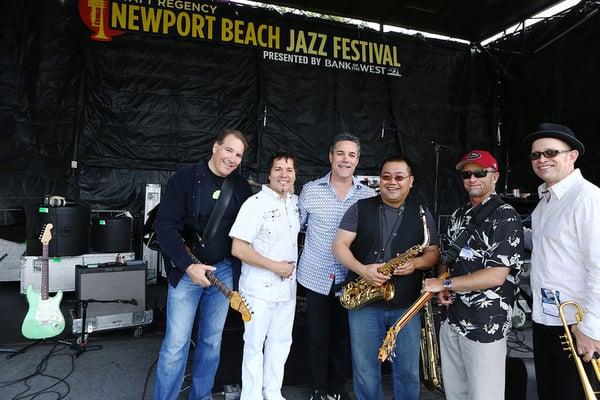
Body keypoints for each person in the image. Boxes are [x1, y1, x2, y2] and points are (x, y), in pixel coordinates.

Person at [154, 129, 253, 400]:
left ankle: (202, 396)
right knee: (176, 344)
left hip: (222, 271)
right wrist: (188, 265)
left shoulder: (242, 187)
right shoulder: (184, 179)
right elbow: (166, 229)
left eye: (238, 155)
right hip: (188, 271)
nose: (232, 159)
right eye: (229, 150)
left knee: (211, 342)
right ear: (215, 147)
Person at [333, 155, 440, 400]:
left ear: (410, 181)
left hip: (407, 303)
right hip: (365, 303)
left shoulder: (423, 213)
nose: (392, 182)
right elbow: (339, 245)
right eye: (386, 176)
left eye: (399, 177)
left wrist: (416, 263)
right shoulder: (360, 208)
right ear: (379, 180)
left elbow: (433, 253)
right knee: (365, 370)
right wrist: (363, 270)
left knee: (407, 371)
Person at [422, 149, 524, 400]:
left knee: (484, 395)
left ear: (495, 176)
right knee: (456, 393)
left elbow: (496, 276)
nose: (472, 179)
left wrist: (443, 283)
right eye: (467, 174)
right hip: (453, 319)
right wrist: (446, 285)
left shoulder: (506, 216)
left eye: (480, 173)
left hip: (485, 325)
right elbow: (448, 258)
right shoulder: (458, 215)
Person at [522, 123, 600, 399]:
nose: (542, 160)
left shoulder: (588, 199)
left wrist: (591, 328)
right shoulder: (546, 201)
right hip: (547, 321)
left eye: (551, 152)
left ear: (572, 156)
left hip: (578, 326)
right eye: (535, 155)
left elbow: (599, 267)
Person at [297, 133, 376, 400]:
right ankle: (318, 390)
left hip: (352, 278)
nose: (345, 159)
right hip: (316, 274)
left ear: (357, 161)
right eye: (340, 153)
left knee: (343, 337)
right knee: (318, 337)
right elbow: (295, 228)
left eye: (351, 155)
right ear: (331, 157)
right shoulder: (310, 190)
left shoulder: (368, 196)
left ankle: (337, 389)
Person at [229, 152, 301, 400]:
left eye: (289, 170)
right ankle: (250, 396)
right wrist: (274, 266)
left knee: (281, 344)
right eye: (278, 169)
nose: (284, 175)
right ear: (269, 174)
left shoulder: (295, 204)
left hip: (287, 291)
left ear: (295, 175)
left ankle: (272, 392)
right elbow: (238, 248)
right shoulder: (255, 204)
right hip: (258, 290)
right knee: (254, 346)